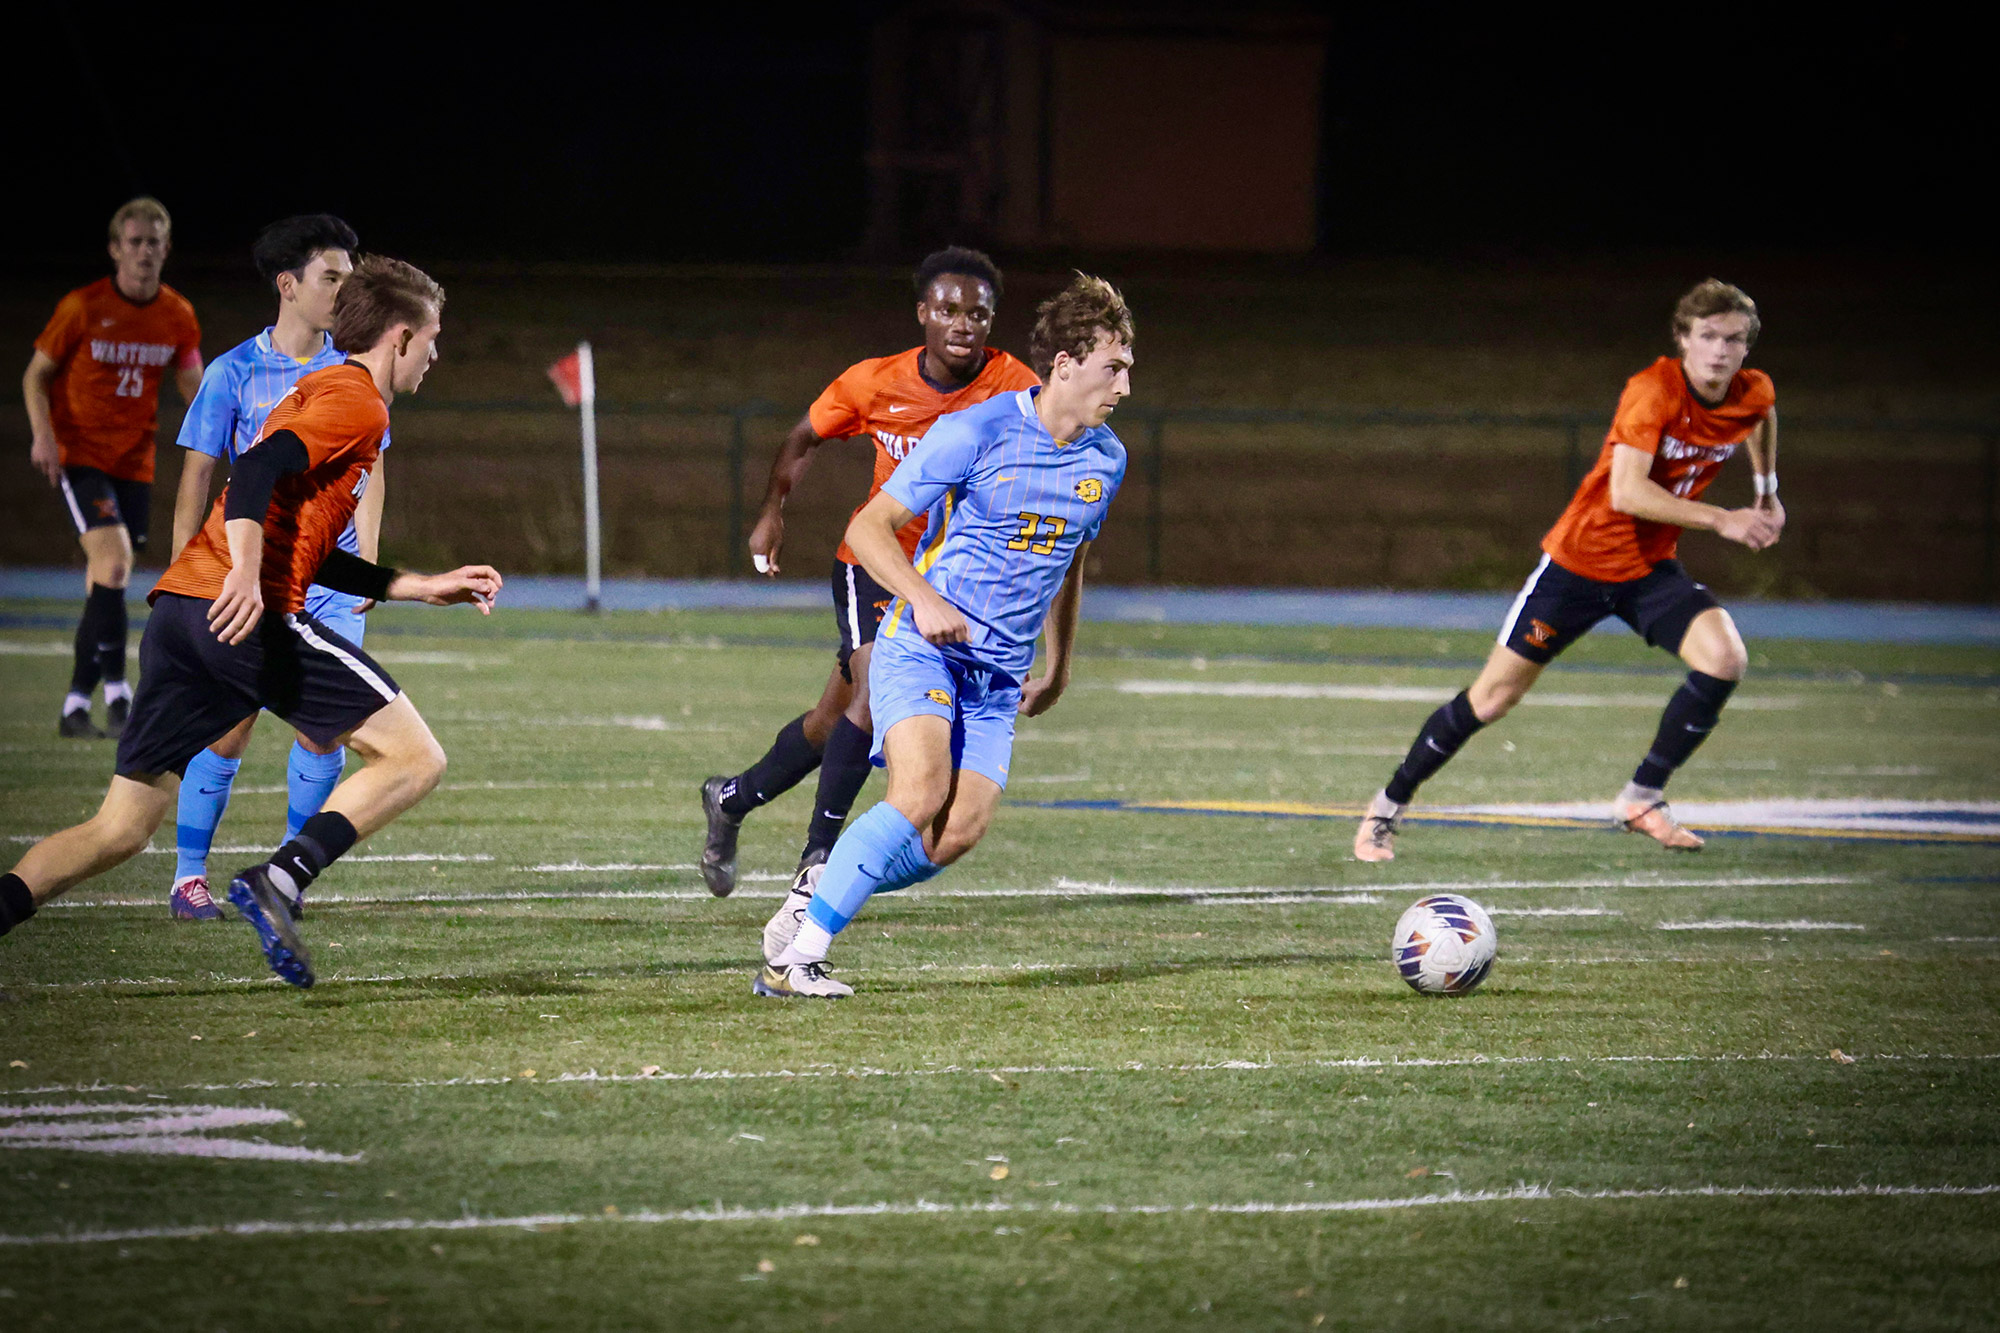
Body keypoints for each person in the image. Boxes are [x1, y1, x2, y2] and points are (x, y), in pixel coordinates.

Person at [0, 257, 502, 992]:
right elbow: (257, 469)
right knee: (415, 757)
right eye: (432, 338)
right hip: (239, 611)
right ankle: (281, 878)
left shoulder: (327, 389)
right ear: (399, 337)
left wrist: (415, 585)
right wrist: (242, 572)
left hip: (182, 613)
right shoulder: (359, 402)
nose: (435, 353)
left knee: (120, 829)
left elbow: (307, 540)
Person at [755, 272, 1134, 999]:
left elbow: (1070, 559)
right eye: (1112, 367)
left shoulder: (1106, 459)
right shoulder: (977, 430)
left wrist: (1059, 666)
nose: (1123, 385)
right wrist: (923, 598)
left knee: (956, 833)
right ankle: (796, 960)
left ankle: (817, 897)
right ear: (1065, 364)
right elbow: (869, 529)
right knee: (920, 790)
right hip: (923, 647)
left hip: (999, 675)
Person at [1353, 279, 1783, 862]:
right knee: (1492, 698)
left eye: (1733, 340)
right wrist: (1722, 519)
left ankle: (1641, 798)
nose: (1719, 350)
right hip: (1579, 566)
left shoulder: (1753, 390)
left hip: (1648, 570)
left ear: (1746, 348)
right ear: (1683, 339)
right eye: (1707, 336)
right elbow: (1628, 492)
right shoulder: (1653, 391)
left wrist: (1766, 491)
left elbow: (1760, 414)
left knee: (1725, 659)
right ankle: (1385, 808)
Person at [699, 247, 1038, 899]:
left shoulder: (1015, 387)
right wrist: (773, 510)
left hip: (952, 583)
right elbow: (803, 436)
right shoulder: (876, 381)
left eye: (977, 313)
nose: (962, 323)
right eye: (948, 309)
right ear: (922, 313)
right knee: (873, 692)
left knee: (831, 724)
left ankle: (731, 798)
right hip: (876, 563)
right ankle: (818, 858)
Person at [164, 214, 384, 922]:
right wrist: (187, 576)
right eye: (331, 278)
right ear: (288, 286)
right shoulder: (232, 372)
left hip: (331, 580)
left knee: (324, 729)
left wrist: (368, 558)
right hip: (253, 574)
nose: (346, 292)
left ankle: (285, 878)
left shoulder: (352, 370)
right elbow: (198, 478)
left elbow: (373, 470)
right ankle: (188, 877)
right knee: (230, 724)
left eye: (351, 279)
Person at [23, 197, 203, 739]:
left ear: (166, 250)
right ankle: (121, 696)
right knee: (116, 561)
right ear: (115, 249)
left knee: (104, 579)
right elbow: (36, 375)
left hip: (135, 460)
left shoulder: (177, 313)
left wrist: (224, 430)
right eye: (135, 242)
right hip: (80, 454)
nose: (144, 252)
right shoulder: (83, 306)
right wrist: (44, 436)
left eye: (154, 243)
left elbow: (193, 383)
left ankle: (76, 705)